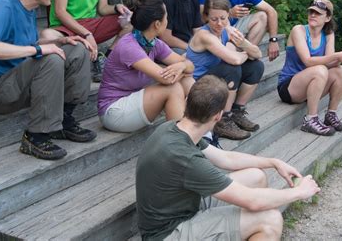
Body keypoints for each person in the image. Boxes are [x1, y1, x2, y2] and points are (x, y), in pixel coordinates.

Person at [136, 75, 321, 241]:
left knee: (256, 176)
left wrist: (273, 163)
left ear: (187, 102)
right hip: (168, 233)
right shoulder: (186, 158)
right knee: (270, 220)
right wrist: (299, 192)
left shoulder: (174, 128)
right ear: (218, 116)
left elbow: (226, 158)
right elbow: (252, 201)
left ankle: (238, 230)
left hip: (183, 206)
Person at [0, 0, 96, 160]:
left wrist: (62, 41)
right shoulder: (3, 6)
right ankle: (35, 137)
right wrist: (38, 50)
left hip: (16, 85)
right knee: (50, 58)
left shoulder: (28, 9)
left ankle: (63, 120)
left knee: (76, 49)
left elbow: (24, 45)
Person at [97, 0, 194, 133]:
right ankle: (180, 142)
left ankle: (201, 132)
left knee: (187, 80)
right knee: (173, 88)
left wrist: (183, 66)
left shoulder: (154, 43)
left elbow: (190, 66)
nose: (168, 20)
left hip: (135, 102)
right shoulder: (129, 46)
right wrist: (181, 67)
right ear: (157, 24)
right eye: (166, 17)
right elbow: (166, 78)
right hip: (113, 111)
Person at [186, 0, 264, 141]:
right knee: (232, 68)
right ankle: (223, 121)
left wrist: (244, 46)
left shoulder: (226, 31)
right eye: (214, 19)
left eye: (223, 18)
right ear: (206, 17)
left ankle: (237, 112)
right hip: (197, 87)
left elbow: (258, 54)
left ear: (228, 15)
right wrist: (245, 52)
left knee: (256, 66)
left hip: (214, 80)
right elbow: (234, 59)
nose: (219, 23)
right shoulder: (204, 35)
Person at [277, 0, 342, 136]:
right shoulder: (299, 30)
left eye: (318, 13)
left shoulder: (328, 34)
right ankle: (310, 119)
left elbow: (330, 62)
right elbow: (308, 61)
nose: (312, 15)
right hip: (289, 87)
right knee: (320, 70)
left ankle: (330, 114)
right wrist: (336, 56)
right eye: (311, 12)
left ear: (327, 18)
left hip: (313, 85)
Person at [199, 0, 280, 61]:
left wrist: (273, 40)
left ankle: (246, 54)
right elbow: (202, 16)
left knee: (263, 16)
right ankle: (237, 55)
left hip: (236, 30)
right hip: (216, 30)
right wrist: (229, 13)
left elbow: (272, 11)